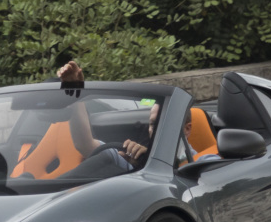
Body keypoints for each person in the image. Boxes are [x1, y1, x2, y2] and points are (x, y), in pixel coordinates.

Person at [56, 61, 195, 169]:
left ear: (187, 129)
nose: (156, 129)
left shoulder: (204, 162)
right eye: (153, 124)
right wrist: (76, 92)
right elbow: (84, 144)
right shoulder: (134, 157)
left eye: (164, 123)